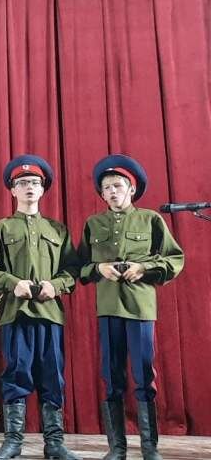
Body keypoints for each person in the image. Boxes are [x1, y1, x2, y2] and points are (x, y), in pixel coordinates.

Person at [78, 154, 184, 460]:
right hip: (109, 307)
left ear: (132, 189)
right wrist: (99, 268)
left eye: (118, 186)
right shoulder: (93, 223)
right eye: (107, 188)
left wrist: (144, 267)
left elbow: (174, 258)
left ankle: (149, 447)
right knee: (112, 378)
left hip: (139, 307)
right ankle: (117, 448)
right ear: (101, 194)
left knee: (143, 376)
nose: (112, 192)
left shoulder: (151, 220)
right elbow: (79, 266)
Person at [0, 155, 79, 459]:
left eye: (35, 183)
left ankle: (55, 443)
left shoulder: (58, 230)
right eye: (22, 183)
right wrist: (13, 283)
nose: (29, 187)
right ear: (12, 190)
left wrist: (55, 286)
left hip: (50, 314)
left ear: (43, 188)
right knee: (16, 374)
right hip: (15, 313)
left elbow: (72, 270)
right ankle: (13, 442)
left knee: (53, 376)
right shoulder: (1, 229)